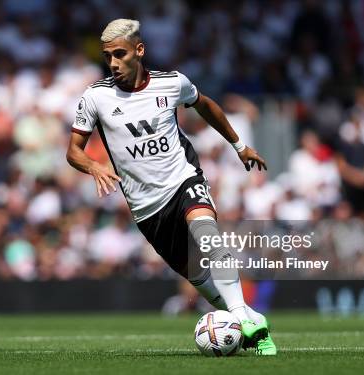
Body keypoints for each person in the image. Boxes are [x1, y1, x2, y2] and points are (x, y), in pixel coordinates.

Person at [66, 19, 276, 355]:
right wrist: (94, 166)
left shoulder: (172, 83)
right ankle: (251, 323)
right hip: (147, 207)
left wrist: (239, 146)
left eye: (120, 54)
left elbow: (205, 105)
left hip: (183, 179)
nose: (114, 63)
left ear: (139, 50)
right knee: (198, 277)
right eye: (108, 57)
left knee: (208, 236)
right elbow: (73, 150)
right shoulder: (96, 97)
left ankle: (240, 315)